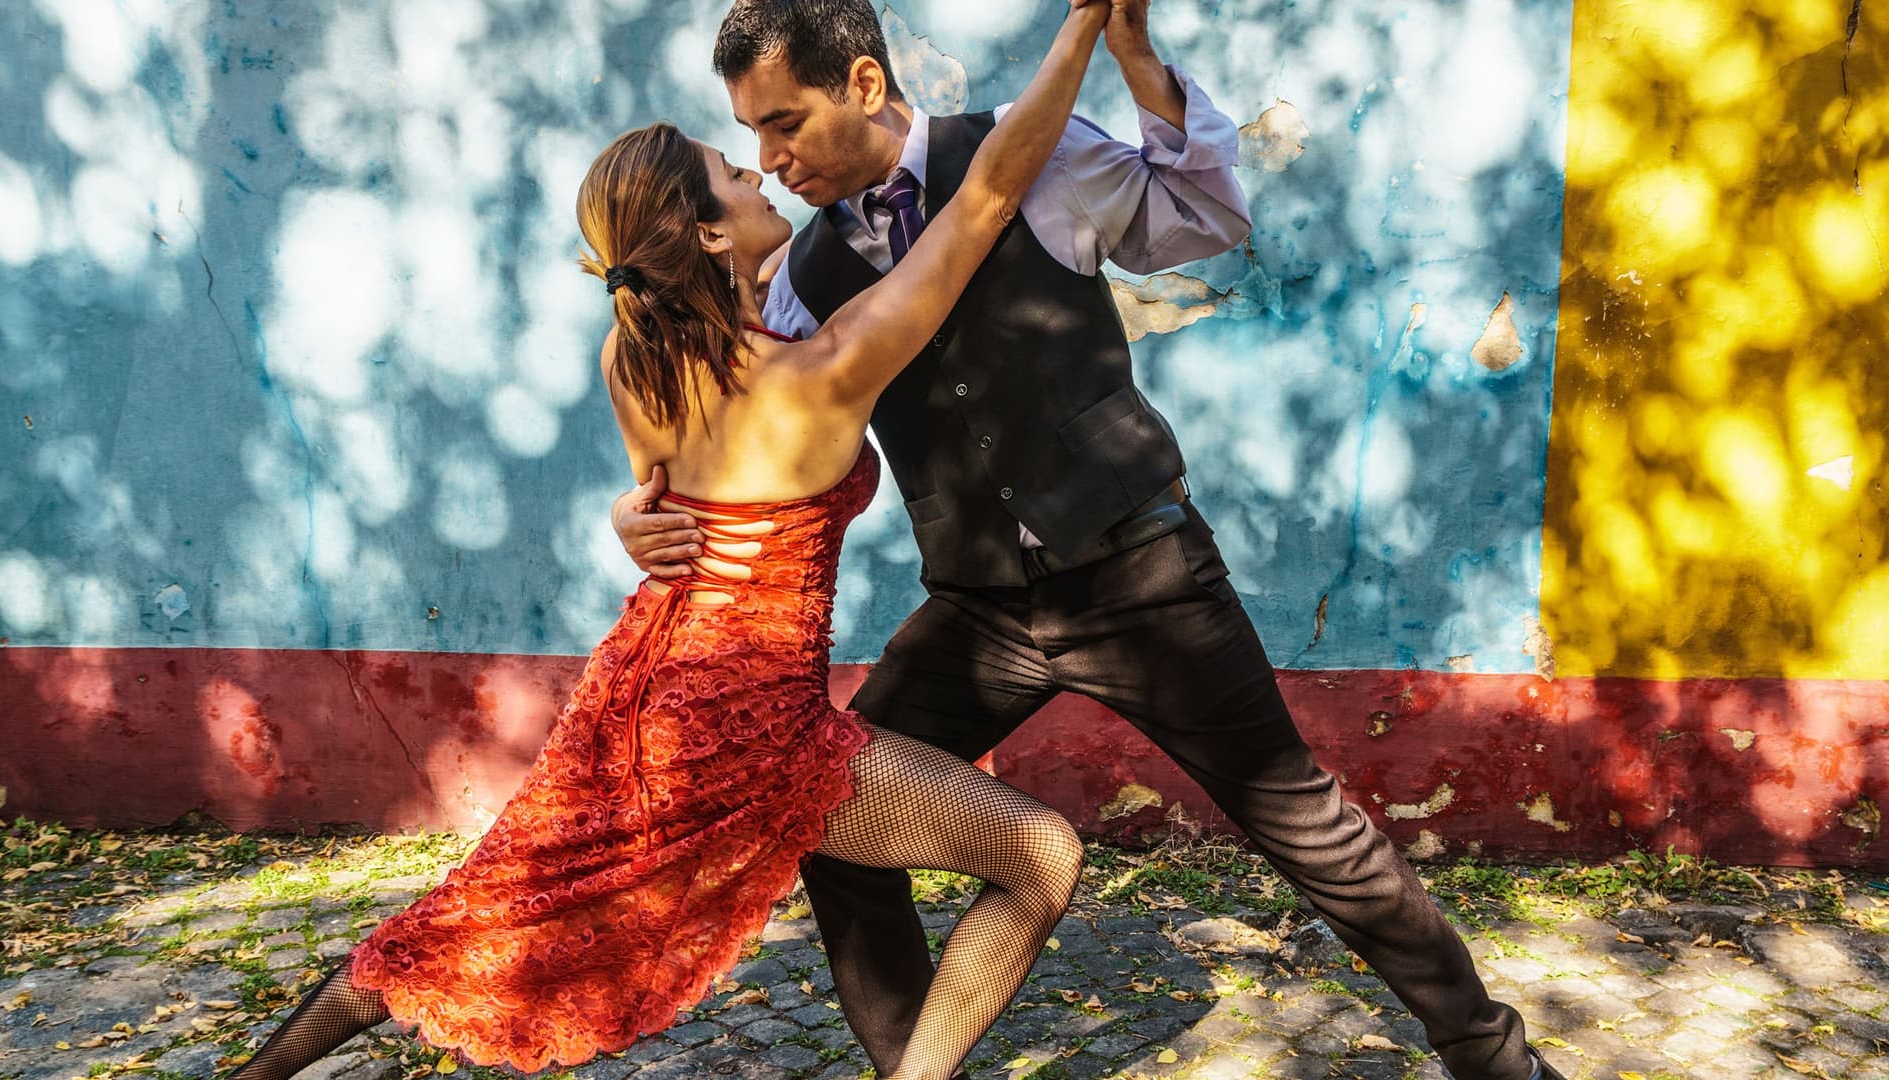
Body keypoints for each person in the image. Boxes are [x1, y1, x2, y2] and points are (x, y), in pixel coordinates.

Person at [611, 1, 1565, 1078]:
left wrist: (1137, 58)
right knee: (832, 815)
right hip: (979, 604)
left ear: (865, 85)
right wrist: (635, 509)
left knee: (1312, 833)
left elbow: (1206, 217)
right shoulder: (801, 279)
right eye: (751, 136)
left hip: (1140, 572)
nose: (771, 159)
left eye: (784, 123)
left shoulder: (1037, 153)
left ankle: (1497, 1062)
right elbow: (730, 432)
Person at [226, 5, 1115, 1079]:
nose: (758, 173)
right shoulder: (821, 372)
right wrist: (1085, 24)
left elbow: (667, 492)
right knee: (1040, 853)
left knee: (491, 911)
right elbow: (986, 197)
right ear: (708, 236)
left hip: (640, 697)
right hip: (750, 728)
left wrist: (625, 516)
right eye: (732, 176)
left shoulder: (631, 358)